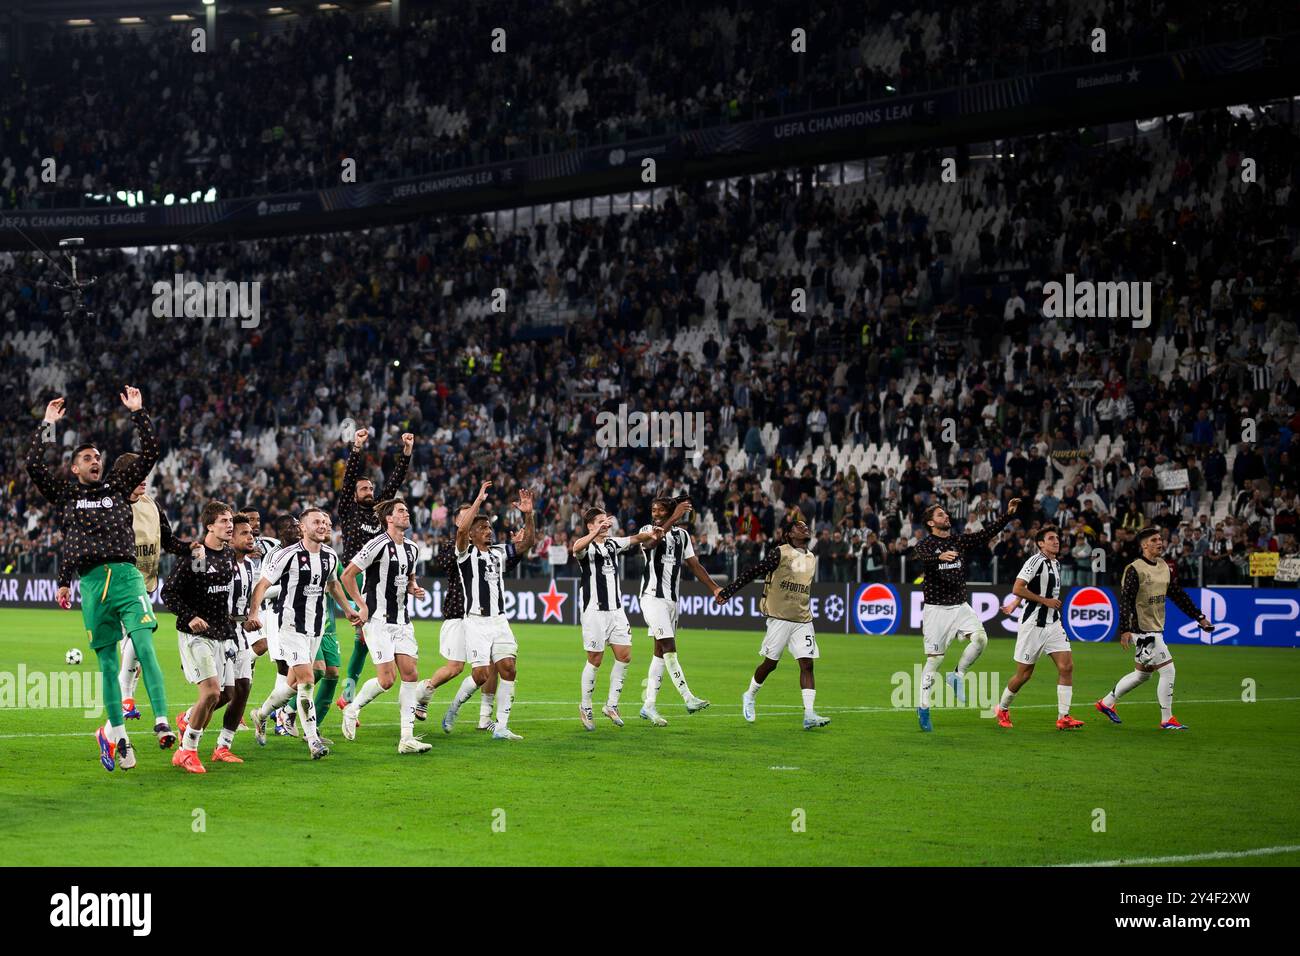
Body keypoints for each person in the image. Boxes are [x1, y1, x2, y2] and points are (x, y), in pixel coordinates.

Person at [25, 389, 169, 772]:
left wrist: (139, 413)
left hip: (125, 577)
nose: (95, 461)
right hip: (91, 584)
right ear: (74, 468)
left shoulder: (117, 488)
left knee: (144, 644)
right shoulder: (68, 494)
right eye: (87, 458)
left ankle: (161, 720)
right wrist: (47, 426)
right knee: (107, 665)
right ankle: (119, 738)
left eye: (97, 458)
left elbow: (151, 455)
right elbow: (34, 467)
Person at [246, 509, 362, 758]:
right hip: (290, 628)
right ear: (303, 527)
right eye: (317, 522)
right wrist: (254, 613)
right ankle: (313, 741)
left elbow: (332, 585)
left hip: (315, 629)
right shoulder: (287, 555)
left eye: (326, 522)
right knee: (308, 680)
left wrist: (348, 610)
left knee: (293, 684)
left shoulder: (330, 556)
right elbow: (262, 585)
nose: (323, 526)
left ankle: (262, 714)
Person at [912, 497, 1022, 732]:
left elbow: (985, 534)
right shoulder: (926, 544)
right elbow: (918, 555)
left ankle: (957, 675)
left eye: (946, 514)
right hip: (936, 610)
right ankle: (923, 707)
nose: (946, 517)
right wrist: (937, 557)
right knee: (935, 660)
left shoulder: (957, 541)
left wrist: (1008, 514)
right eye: (940, 515)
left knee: (981, 638)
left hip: (960, 606)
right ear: (931, 523)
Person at [714, 520, 831, 730]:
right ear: (789, 534)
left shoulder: (812, 557)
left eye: (806, 526)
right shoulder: (780, 553)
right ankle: (749, 695)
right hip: (779, 618)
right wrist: (729, 591)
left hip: (803, 619)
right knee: (770, 664)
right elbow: (754, 571)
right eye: (799, 527)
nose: (804, 528)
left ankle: (809, 714)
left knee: (807, 664)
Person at [1096, 527, 1213, 730]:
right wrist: (1124, 630)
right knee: (1168, 670)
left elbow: (1178, 595)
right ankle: (1167, 719)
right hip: (1142, 630)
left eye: (1161, 539)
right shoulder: (1135, 568)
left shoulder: (1164, 566)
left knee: (1143, 674)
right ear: (1144, 545)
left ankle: (1106, 703)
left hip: (1155, 628)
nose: (1160, 542)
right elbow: (1125, 601)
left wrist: (1199, 617)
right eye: (1155, 540)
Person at [339, 499, 431, 753]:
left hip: (402, 621)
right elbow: (347, 575)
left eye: (406, 510)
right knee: (387, 680)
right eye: (401, 511)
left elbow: (408, 579)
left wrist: (414, 589)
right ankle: (352, 708)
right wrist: (361, 605)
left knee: (411, 674)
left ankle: (407, 738)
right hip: (378, 621)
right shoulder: (377, 544)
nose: (406, 513)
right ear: (389, 518)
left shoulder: (412, 548)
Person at [162, 502, 238, 773]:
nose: (229, 525)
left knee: (227, 694)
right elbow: (169, 593)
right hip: (197, 635)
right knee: (210, 693)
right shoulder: (198, 555)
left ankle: (187, 719)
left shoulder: (229, 554)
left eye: (230, 521)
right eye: (223, 521)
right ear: (209, 526)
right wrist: (190, 616)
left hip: (222, 633)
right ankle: (186, 751)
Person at [571, 507, 661, 730]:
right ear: (590, 525)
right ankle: (585, 706)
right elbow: (576, 548)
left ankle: (611, 705)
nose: (606, 524)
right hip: (594, 611)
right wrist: (595, 533)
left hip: (616, 611)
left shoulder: (612, 544)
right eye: (600, 521)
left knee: (624, 655)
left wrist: (652, 533)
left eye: (606, 520)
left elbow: (634, 539)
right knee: (595, 659)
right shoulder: (587, 547)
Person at [637, 496, 721, 726]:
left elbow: (694, 565)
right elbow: (650, 543)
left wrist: (714, 588)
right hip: (652, 598)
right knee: (669, 647)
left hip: (672, 601)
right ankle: (688, 698)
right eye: (653, 509)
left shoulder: (683, 536)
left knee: (659, 653)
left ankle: (649, 705)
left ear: (669, 511)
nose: (655, 513)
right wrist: (674, 517)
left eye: (660, 510)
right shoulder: (648, 529)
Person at [994, 526, 1085, 730]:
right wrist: (1044, 601)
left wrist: (1013, 604)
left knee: (1066, 667)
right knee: (1024, 674)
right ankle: (1002, 708)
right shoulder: (1035, 561)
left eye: (1057, 538)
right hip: (1033, 624)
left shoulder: (1055, 563)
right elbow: (1018, 587)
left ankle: (1064, 717)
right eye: (1051, 538)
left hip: (1053, 623)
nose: (1056, 541)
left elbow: (1029, 588)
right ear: (1041, 544)